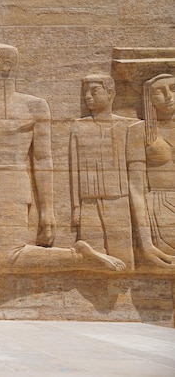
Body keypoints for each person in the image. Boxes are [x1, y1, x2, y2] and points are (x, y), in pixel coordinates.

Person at [0, 44, 126, 272]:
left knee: (7, 259)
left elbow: (42, 159)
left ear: (8, 64)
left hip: (13, 181)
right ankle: (78, 257)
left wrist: (47, 211)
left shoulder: (34, 105)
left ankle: (77, 257)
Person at [70, 74, 138, 268]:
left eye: (94, 91)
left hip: (119, 199)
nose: (88, 96)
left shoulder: (128, 125)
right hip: (88, 200)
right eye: (85, 92)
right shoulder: (78, 126)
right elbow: (73, 169)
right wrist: (76, 207)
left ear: (110, 93)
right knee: (92, 257)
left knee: (123, 255)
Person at [127, 73, 175, 269]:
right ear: (148, 98)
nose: (169, 96)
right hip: (158, 209)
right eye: (159, 92)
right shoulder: (140, 131)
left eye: (173, 88)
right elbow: (136, 188)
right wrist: (145, 243)